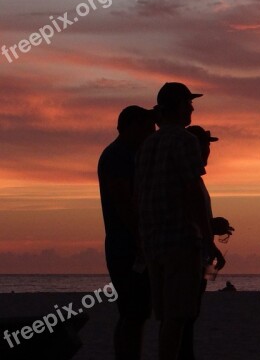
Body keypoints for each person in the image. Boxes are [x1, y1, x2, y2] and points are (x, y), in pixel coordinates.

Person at [135, 83, 224, 360]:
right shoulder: (183, 141)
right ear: (179, 107)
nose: (192, 109)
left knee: (167, 317)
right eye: (188, 104)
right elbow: (192, 191)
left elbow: (140, 194)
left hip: (153, 242)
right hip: (181, 242)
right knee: (180, 316)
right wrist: (209, 239)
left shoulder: (148, 144)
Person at [98, 105, 156, 360]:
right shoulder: (118, 155)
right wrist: (141, 238)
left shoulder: (126, 154)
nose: (152, 132)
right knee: (133, 313)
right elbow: (122, 199)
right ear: (132, 127)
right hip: (126, 245)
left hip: (128, 243)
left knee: (136, 313)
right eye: (148, 127)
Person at [179, 126, 233, 360]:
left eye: (208, 145)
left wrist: (213, 227)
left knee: (192, 311)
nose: (207, 150)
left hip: (200, 254)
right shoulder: (188, 179)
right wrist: (212, 230)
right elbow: (188, 217)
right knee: (186, 313)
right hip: (191, 253)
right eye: (204, 145)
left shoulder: (196, 179)